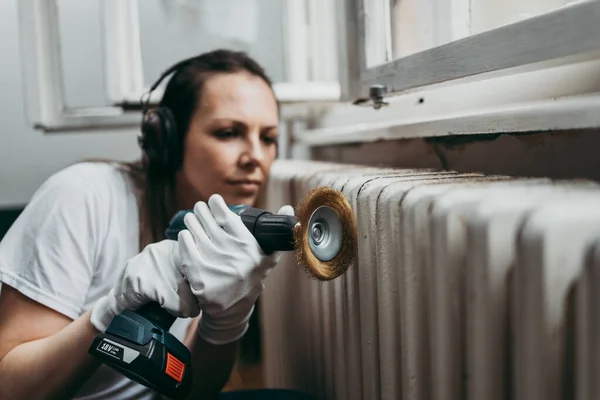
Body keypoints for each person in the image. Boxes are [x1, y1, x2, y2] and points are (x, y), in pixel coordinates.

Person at [0, 49, 314, 400]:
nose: (255, 156)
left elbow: (194, 393)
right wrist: (107, 316)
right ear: (167, 139)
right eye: (228, 132)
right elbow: (11, 388)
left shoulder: (213, 230)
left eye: (268, 138)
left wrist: (226, 322)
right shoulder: (82, 196)